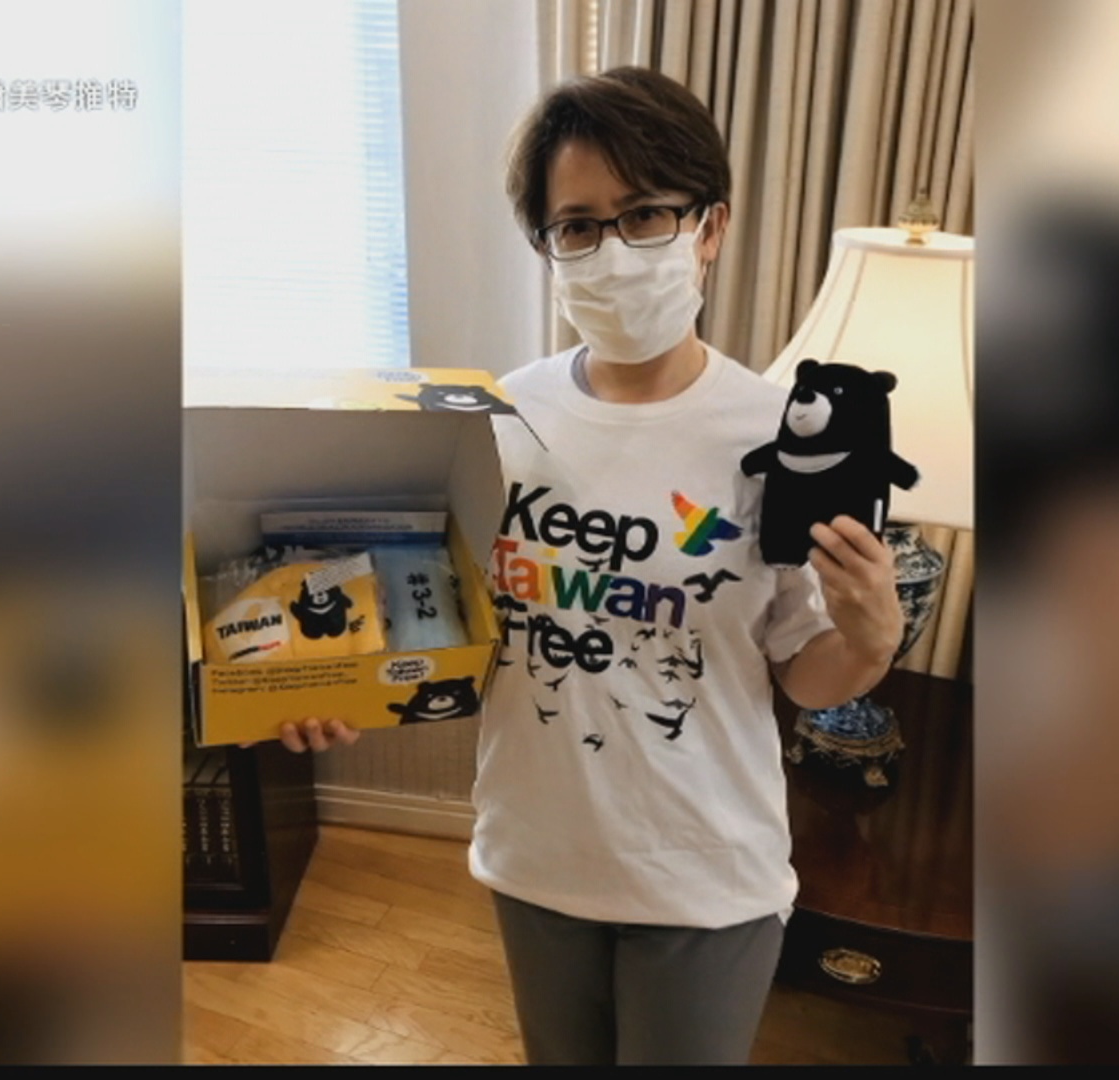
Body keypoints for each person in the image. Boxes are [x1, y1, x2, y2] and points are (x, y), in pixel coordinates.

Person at [276, 67, 901, 1065]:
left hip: (705, 876)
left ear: (710, 227)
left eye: (645, 214)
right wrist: (337, 684)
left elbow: (805, 673)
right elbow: (445, 630)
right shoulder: (497, 421)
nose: (612, 251)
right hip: (537, 858)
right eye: (577, 225)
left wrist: (868, 640)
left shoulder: (778, 435)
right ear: (547, 246)